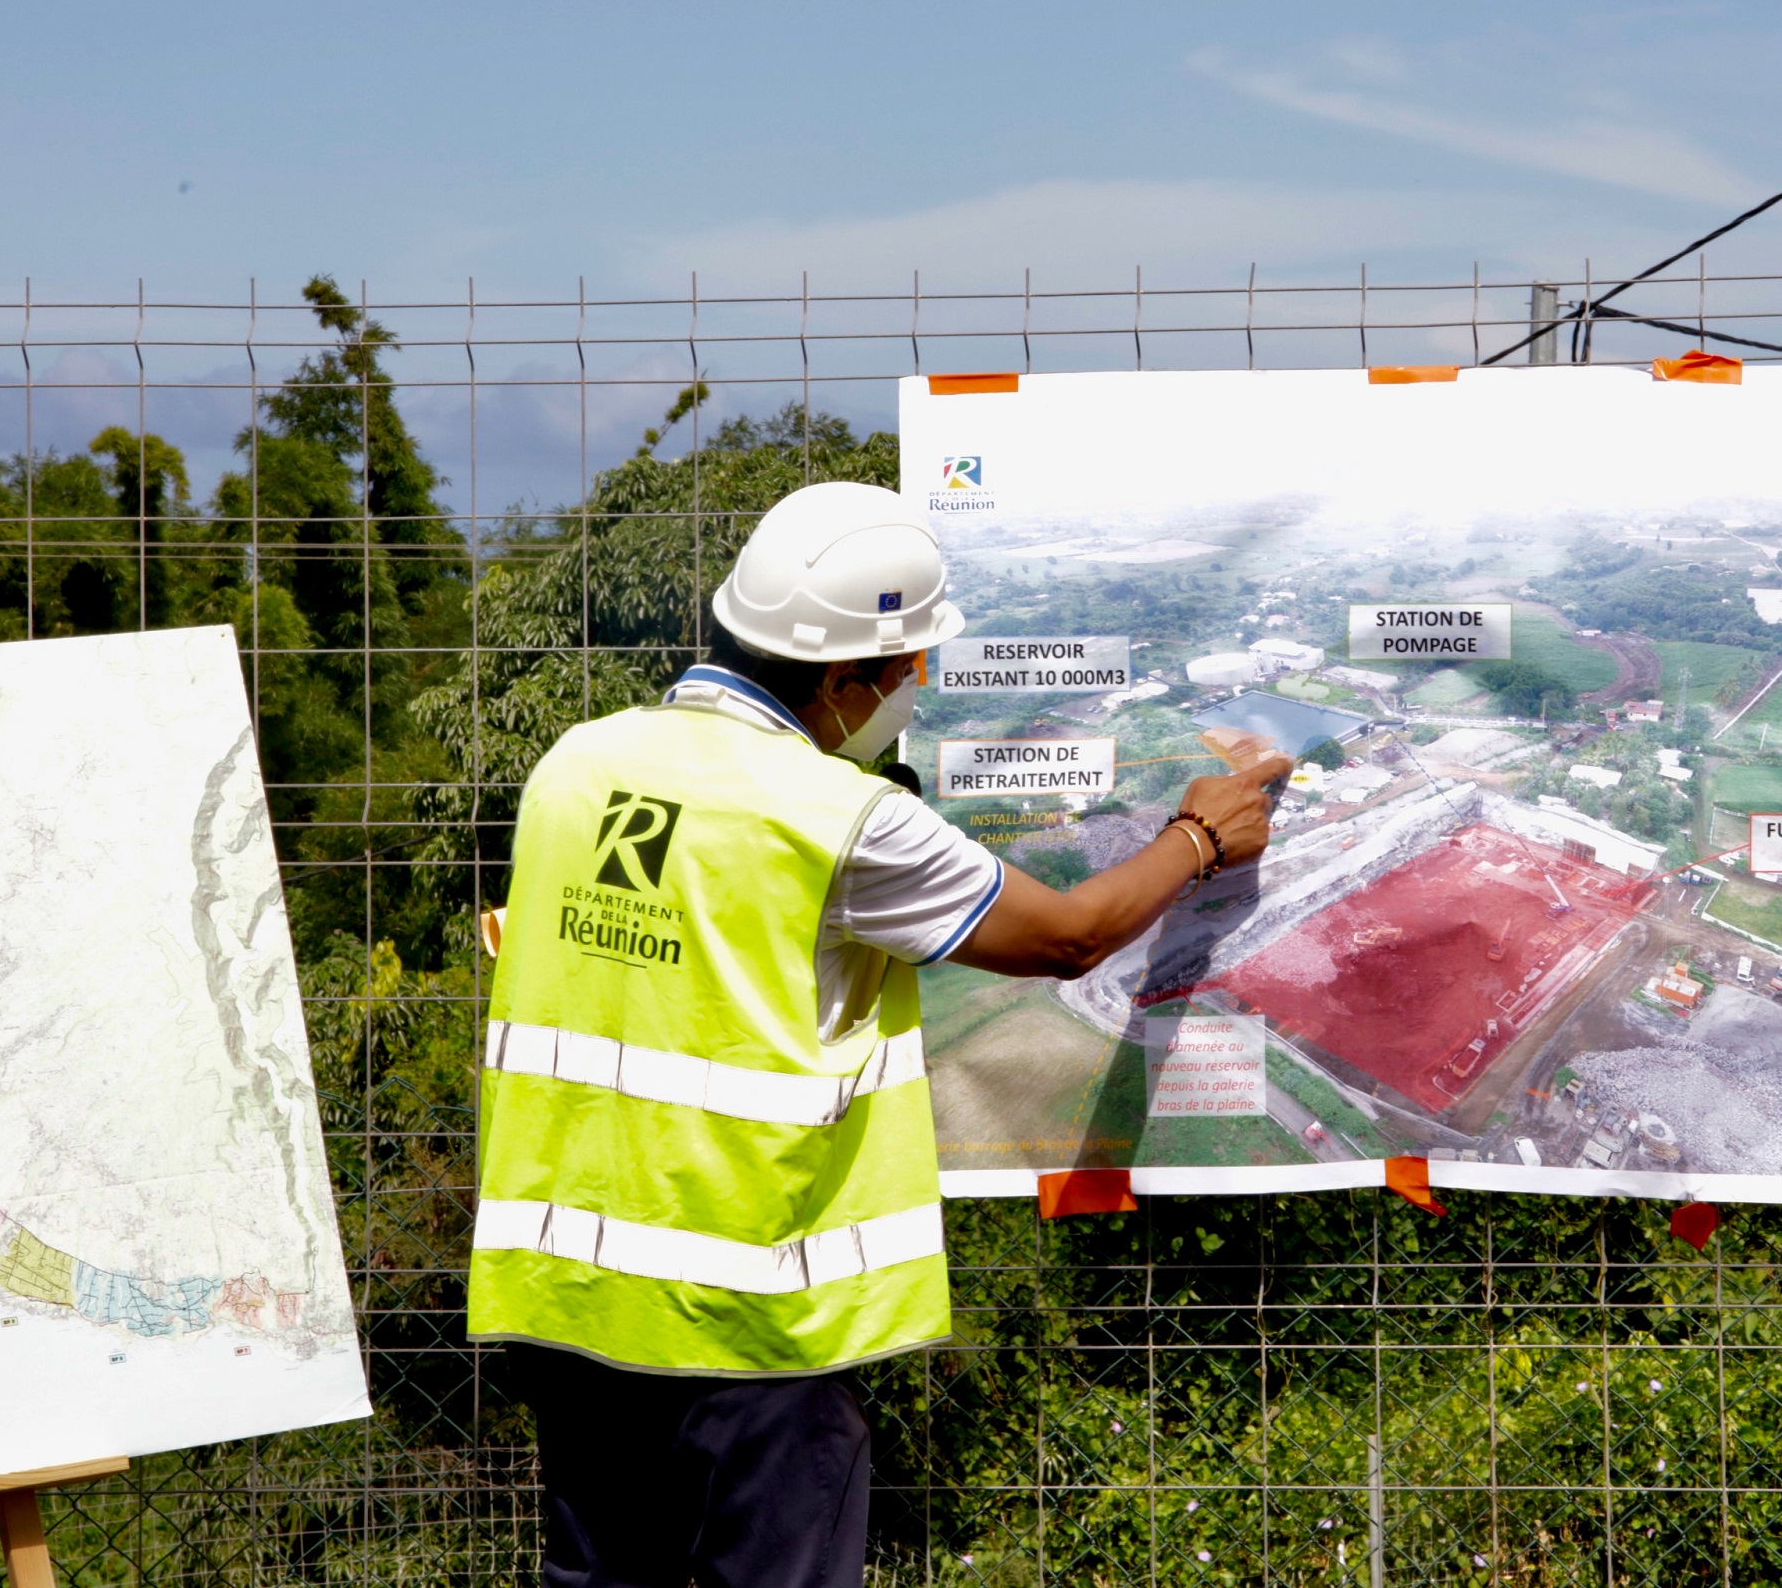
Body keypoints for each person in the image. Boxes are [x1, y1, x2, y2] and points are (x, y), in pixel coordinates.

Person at [468, 480, 1287, 1588]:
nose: (920, 688)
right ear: (848, 678)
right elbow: (1069, 936)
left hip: (567, 1315)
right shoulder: (837, 817)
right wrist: (1200, 831)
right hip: (753, 1338)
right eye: (909, 670)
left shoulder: (574, 764)